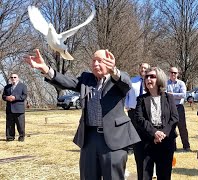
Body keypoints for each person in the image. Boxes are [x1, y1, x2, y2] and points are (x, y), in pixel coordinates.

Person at [24, 49, 140, 179]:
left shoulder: (118, 80)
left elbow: (126, 84)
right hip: (89, 138)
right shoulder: (86, 79)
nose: (95, 64)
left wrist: (114, 71)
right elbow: (66, 82)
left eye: (100, 61)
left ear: (109, 63)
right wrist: (45, 68)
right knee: (87, 176)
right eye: (93, 60)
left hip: (114, 140)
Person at [134, 67, 179, 180]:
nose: (148, 79)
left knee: (164, 175)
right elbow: (139, 118)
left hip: (166, 141)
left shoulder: (169, 97)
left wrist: (162, 134)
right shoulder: (141, 99)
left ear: (159, 79)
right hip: (146, 141)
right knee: (144, 176)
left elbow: (174, 118)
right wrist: (154, 133)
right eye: (146, 77)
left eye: (152, 76)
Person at [125, 62, 151, 179]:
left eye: (145, 68)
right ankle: (134, 149)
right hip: (133, 110)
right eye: (141, 68)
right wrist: (126, 105)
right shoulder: (132, 80)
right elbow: (127, 94)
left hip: (146, 112)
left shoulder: (150, 81)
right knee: (134, 133)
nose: (143, 70)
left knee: (145, 135)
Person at [167, 67, 190, 151]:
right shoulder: (166, 83)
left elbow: (183, 95)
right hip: (169, 107)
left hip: (179, 107)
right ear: (169, 73)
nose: (173, 74)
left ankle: (186, 146)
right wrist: (175, 95)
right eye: (172, 72)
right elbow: (164, 94)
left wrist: (171, 95)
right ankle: (173, 147)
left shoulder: (181, 83)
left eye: (175, 73)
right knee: (171, 128)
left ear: (178, 74)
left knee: (182, 127)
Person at [2, 73, 27, 142]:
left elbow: (24, 96)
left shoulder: (23, 86)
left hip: (19, 109)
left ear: (18, 78)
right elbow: (3, 96)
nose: (13, 78)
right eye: (12, 77)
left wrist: (15, 97)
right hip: (9, 109)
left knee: (20, 124)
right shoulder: (7, 87)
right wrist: (7, 97)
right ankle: (10, 137)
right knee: (9, 124)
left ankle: (21, 137)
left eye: (15, 77)